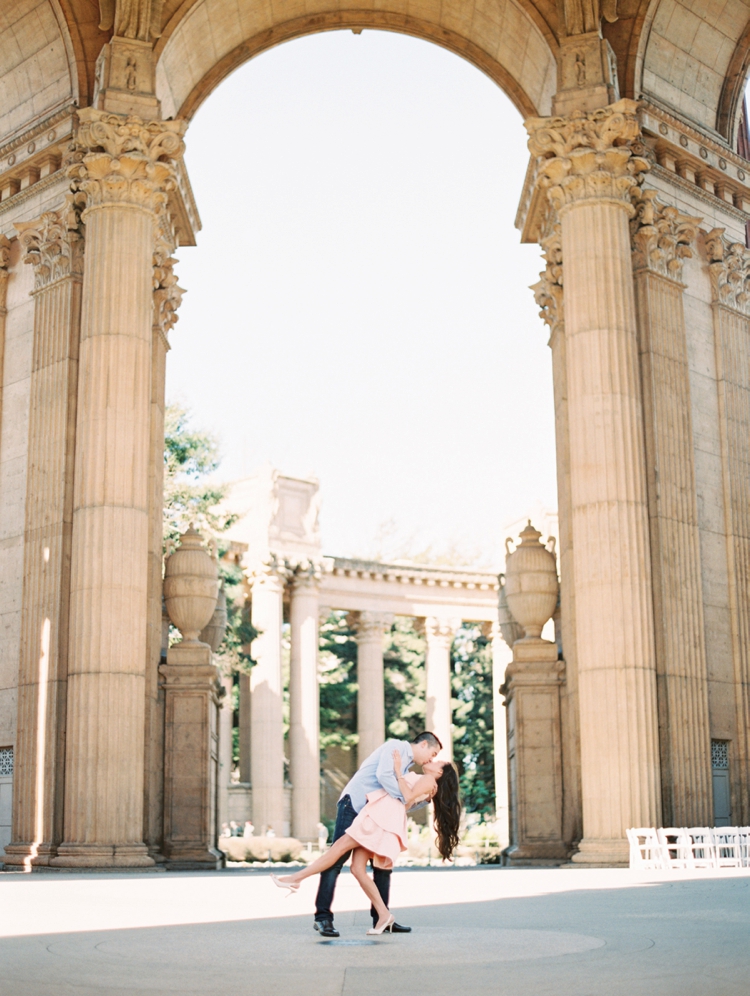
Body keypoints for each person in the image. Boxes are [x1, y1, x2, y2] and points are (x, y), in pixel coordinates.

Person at [272, 746, 460, 934]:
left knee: (338, 849)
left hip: (378, 817)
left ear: (440, 772)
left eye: (437, 761)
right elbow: (406, 803)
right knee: (356, 868)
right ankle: (384, 915)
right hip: (380, 815)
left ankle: (295, 879)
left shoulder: (428, 780)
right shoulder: (428, 785)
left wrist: (397, 771)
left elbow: (407, 797)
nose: (432, 761)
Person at [312, 732, 441, 937]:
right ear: (423, 744)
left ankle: (383, 917)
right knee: (336, 859)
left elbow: (401, 803)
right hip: (354, 804)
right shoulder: (396, 747)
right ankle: (323, 917)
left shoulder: (406, 766)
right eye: (432, 753)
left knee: (382, 863)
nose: (431, 759)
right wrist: (405, 795)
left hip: (373, 813)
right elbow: (383, 777)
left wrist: (424, 798)